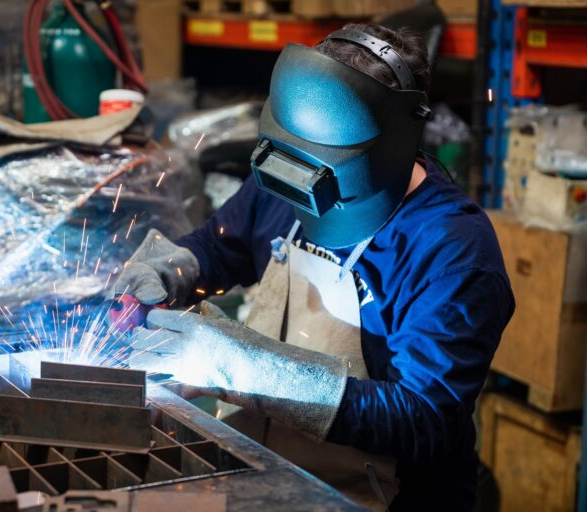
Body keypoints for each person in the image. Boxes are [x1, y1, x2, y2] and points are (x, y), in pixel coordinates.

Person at [115, 23, 514, 511]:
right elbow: (225, 245)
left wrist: (249, 368)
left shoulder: (453, 251)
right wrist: (176, 268)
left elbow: (423, 418)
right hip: (262, 477)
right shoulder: (288, 172)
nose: (299, 190)